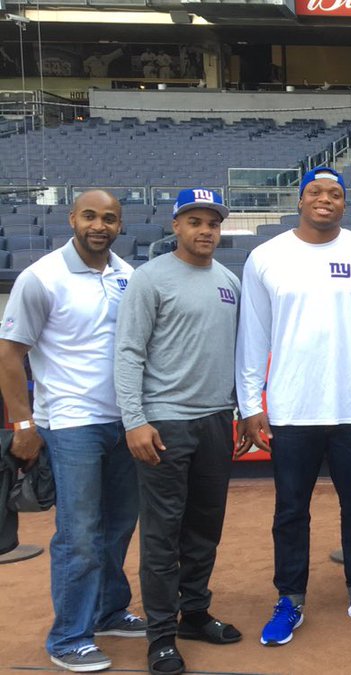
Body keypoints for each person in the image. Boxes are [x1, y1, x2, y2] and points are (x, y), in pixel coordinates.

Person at [237, 167, 351, 645]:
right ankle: (289, 599)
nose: (324, 199)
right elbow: (253, 336)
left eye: (334, 193)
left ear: (344, 203)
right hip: (291, 410)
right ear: (300, 199)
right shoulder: (266, 257)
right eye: (315, 191)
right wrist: (251, 403)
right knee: (290, 511)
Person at [0, 190, 144, 673]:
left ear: (121, 225)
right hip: (70, 423)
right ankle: (68, 636)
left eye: (109, 218)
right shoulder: (40, 277)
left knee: (120, 524)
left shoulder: (128, 276)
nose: (99, 225)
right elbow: (9, 354)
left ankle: (106, 610)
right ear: (72, 219)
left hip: (123, 422)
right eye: (89, 216)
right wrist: (23, 423)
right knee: (80, 534)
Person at [115, 189, 244, 675]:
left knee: (205, 526)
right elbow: (128, 352)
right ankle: (161, 634)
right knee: (163, 533)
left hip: (215, 418)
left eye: (213, 222)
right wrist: (135, 419)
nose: (206, 230)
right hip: (164, 421)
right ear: (176, 226)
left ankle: (194, 611)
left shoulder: (229, 280)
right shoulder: (150, 278)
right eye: (195, 221)